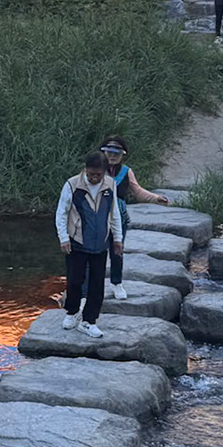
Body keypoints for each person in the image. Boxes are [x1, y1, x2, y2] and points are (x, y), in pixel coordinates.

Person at [56, 150, 123, 336]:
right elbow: (61, 212)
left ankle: (89, 321)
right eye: (91, 174)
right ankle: (72, 312)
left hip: (100, 243)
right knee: (75, 280)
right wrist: (63, 238)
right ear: (85, 170)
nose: (94, 178)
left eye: (98, 175)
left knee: (97, 284)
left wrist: (117, 238)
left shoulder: (110, 185)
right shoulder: (72, 185)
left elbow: (114, 213)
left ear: (105, 172)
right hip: (77, 241)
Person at [98, 136, 173, 301]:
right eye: (109, 152)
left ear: (122, 155)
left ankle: (117, 283)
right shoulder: (95, 168)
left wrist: (155, 198)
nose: (112, 156)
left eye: (116, 153)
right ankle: (94, 285)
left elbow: (137, 191)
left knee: (117, 250)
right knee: (96, 251)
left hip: (119, 216)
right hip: (97, 216)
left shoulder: (126, 172)